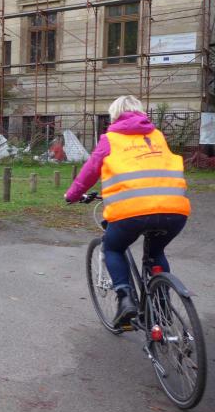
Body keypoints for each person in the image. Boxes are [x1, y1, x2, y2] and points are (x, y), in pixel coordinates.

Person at [65, 95, 190, 326]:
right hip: (174, 209)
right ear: (141, 112)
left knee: (112, 248)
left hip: (131, 212)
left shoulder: (110, 139)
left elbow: (90, 171)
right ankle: (162, 304)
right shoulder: (157, 136)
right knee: (156, 252)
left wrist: (72, 195)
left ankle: (125, 300)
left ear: (114, 115)